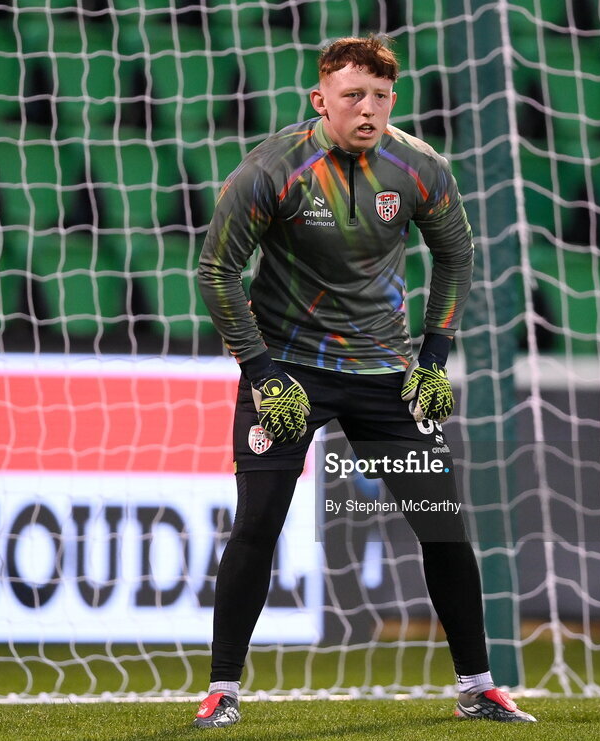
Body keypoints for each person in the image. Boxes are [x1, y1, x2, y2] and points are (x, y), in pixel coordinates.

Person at [193, 35, 535, 728]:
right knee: (258, 522)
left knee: (443, 526)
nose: (368, 108)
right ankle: (222, 689)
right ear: (321, 99)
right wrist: (259, 371)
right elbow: (216, 270)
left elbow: (456, 252)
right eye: (353, 95)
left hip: (386, 376)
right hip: (289, 375)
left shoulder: (419, 167)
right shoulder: (273, 169)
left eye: (381, 96)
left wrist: (435, 356)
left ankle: (479, 684)